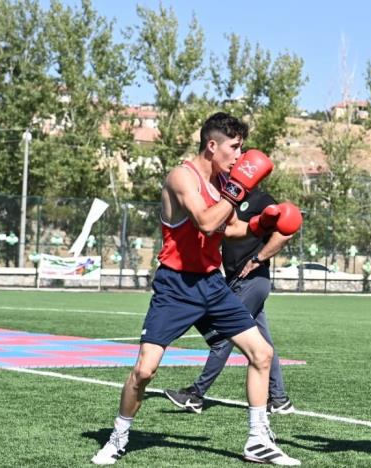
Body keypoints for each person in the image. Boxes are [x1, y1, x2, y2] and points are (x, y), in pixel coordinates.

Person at [91, 112, 301, 466]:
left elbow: (229, 228)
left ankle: (258, 440)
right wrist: (237, 190)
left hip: (211, 283)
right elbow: (206, 223)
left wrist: (262, 224)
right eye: (234, 148)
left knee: (261, 353)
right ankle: (118, 437)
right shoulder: (181, 177)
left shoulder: (223, 182)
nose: (239, 156)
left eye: (242, 149)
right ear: (212, 145)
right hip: (176, 286)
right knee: (144, 370)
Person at [163, 185, 296, 415]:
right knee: (262, 343)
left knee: (225, 335)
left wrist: (259, 257)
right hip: (235, 280)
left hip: (253, 280)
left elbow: (287, 230)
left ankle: (196, 394)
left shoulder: (262, 199)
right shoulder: (227, 202)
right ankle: (280, 399)